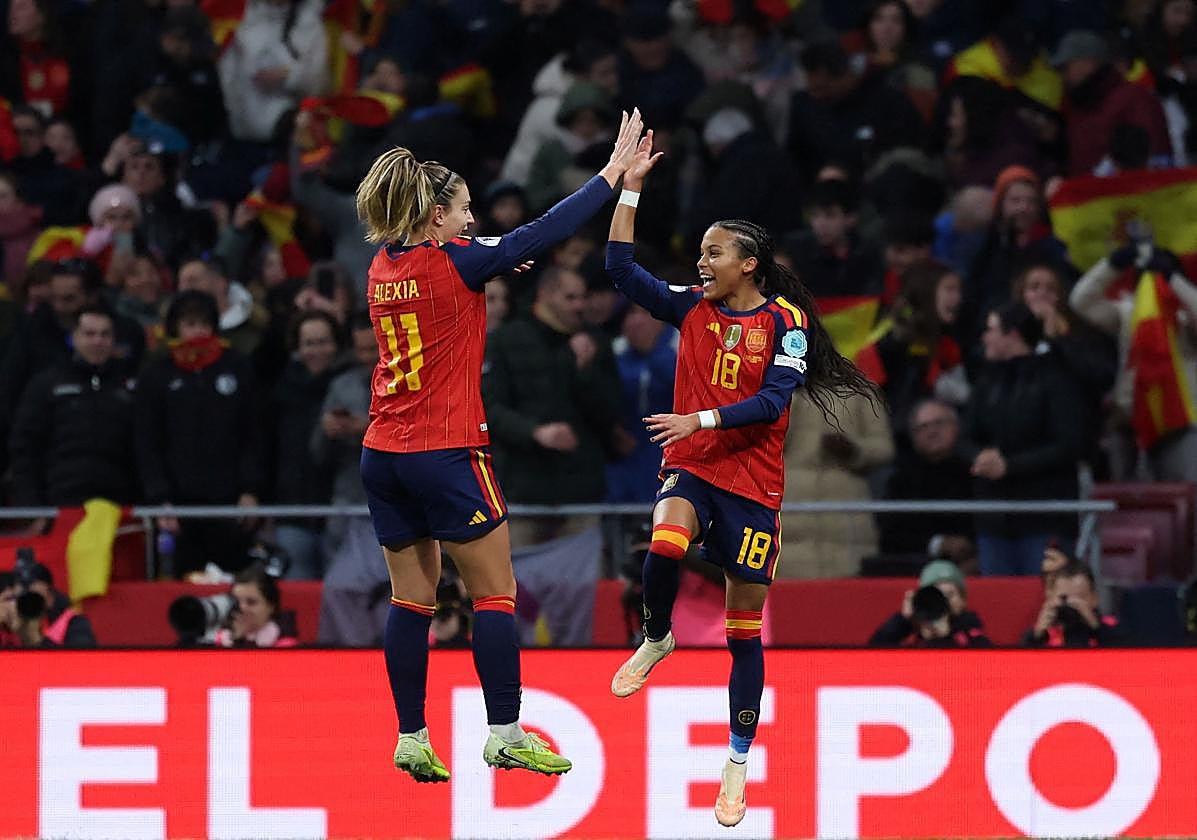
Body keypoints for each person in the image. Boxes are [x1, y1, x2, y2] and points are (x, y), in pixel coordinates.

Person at [353, 109, 643, 783]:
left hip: (382, 454)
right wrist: (609, 176)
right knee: (494, 595)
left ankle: (411, 736)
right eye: (462, 212)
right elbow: (541, 231)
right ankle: (505, 733)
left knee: (411, 600)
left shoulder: (379, 264)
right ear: (434, 220)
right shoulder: (457, 264)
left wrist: (493, 256)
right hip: (446, 451)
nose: (471, 220)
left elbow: (487, 260)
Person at [604, 130, 876, 826]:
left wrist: (696, 420)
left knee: (742, 634)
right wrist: (629, 187)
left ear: (748, 264)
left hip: (753, 485)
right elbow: (617, 265)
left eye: (713, 252)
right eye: (698, 251)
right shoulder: (687, 305)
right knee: (663, 545)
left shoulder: (786, 324)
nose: (700, 262)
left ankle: (734, 766)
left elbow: (771, 404)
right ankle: (656, 634)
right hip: (692, 469)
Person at [868, 559, 988, 646]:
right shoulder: (910, 637)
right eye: (937, 595)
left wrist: (944, 637)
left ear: (963, 600)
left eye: (950, 595)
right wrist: (902, 619)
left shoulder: (975, 640)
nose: (944, 601)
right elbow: (873, 655)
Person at [1023, 559, 1128, 647]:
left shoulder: (1111, 627)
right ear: (1051, 598)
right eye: (1064, 598)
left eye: (1079, 598)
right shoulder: (1043, 633)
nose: (1072, 604)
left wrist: (1096, 627)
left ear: (1094, 598)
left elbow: (1122, 660)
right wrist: (1036, 636)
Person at [213, 564, 297, 648]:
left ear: (271, 607)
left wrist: (240, 641)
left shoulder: (286, 644)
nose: (242, 608)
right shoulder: (221, 638)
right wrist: (237, 638)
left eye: (251, 602)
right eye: (236, 601)